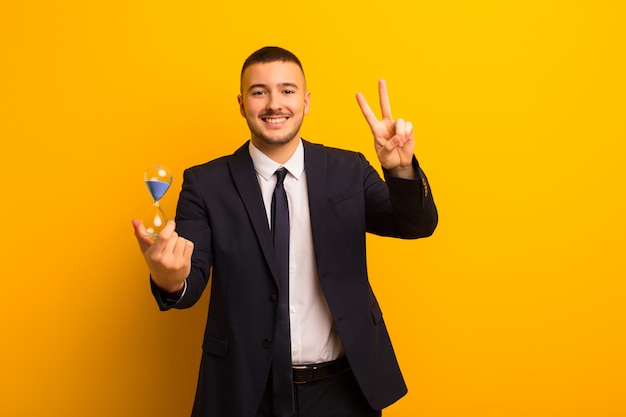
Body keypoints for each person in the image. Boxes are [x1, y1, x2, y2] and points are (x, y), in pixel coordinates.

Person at [132, 46, 438, 417]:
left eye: (287, 90)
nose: (274, 103)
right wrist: (170, 280)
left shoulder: (349, 170)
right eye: (259, 92)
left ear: (306, 101)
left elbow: (415, 225)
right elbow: (189, 278)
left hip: (344, 391)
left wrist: (400, 171)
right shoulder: (205, 183)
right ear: (242, 103)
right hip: (247, 393)